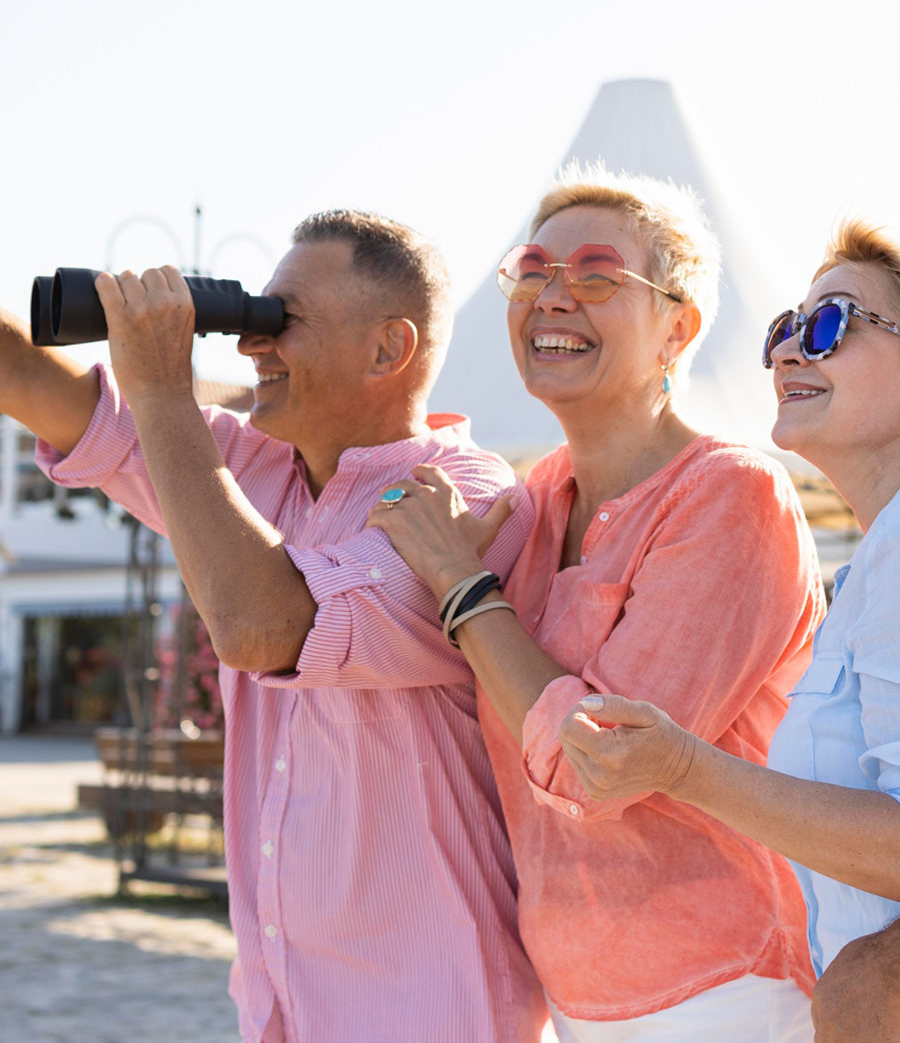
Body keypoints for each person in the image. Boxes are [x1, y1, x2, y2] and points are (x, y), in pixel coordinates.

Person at [0, 210, 547, 1042]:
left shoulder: (465, 500)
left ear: (386, 350)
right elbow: (31, 383)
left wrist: (160, 390)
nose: (250, 345)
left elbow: (264, 629)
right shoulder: (255, 470)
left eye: (279, 321)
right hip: (286, 1004)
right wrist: (135, 338)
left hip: (434, 1004)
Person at [368, 163, 825, 1040]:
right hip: (570, 996)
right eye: (534, 271)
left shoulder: (734, 495)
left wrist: (464, 588)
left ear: (677, 330)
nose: (553, 296)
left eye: (598, 276)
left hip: (720, 989)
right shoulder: (536, 499)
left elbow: (599, 763)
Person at [557, 217, 900, 1042]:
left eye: (831, 324)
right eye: (787, 328)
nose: (787, 353)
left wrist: (683, 767)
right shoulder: (867, 568)